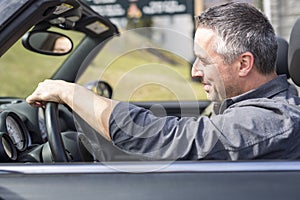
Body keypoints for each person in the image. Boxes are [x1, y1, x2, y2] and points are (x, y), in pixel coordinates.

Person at [26, 2, 300, 160]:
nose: (194, 72)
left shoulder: (272, 120)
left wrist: (69, 93)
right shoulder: (242, 103)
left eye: (204, 60)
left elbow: (173, 138)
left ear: (243, 64)